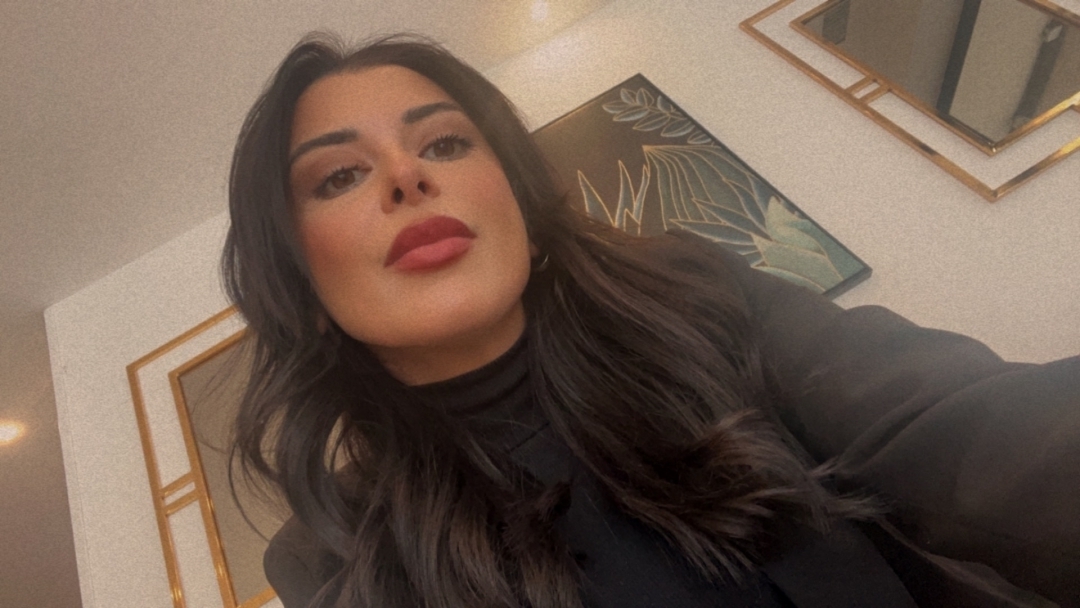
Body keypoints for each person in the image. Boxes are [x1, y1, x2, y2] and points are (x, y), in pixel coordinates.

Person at [221, 33, 1080, 608]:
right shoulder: (327, 555)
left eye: (445, 143)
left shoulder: (703, 301)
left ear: (520, 202)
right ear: (298, 280)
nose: (407, 177)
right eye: (338, 177)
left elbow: (973, 438)